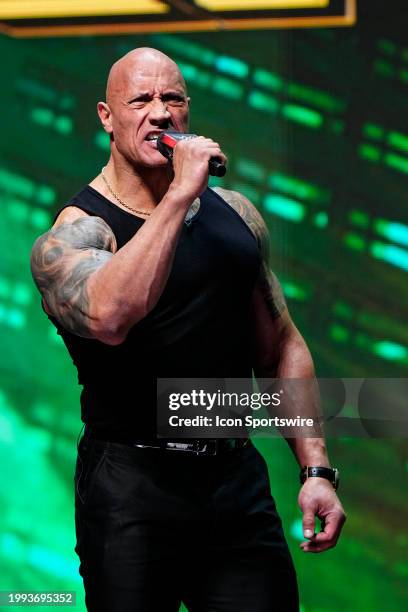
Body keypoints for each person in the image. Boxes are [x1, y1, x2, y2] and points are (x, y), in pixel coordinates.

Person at [30, 48, 346, 612]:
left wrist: (315, 468)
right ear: (107, 116)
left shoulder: (235, 216)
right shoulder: (76, 234)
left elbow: (279, 347)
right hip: (131, 487)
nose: (159, 112)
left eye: (171, 98)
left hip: (233, 480)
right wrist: (179, 194)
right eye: (141, 100)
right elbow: (109, 317)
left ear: (188, 111)